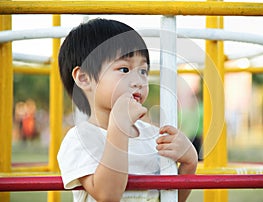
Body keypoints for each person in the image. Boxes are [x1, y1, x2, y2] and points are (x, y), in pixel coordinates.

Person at [57, 18, 198, 202]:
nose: (138, 81)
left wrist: (189, 163)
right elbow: (108, 196)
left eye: (143, 71)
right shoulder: (81, 139)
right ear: (84, 78)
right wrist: (119, 127)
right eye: (124, 69)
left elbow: (170, 198)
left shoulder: (153, 136)